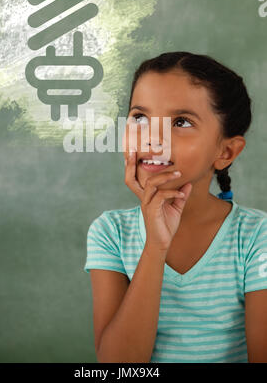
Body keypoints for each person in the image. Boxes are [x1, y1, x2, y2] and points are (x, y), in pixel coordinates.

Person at [84, 51, 267, 363]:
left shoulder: (255, 237)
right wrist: (156, 245)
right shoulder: (110, 232)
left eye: (181, 122)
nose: (153, 139)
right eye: (139, 117)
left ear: (225, 151)